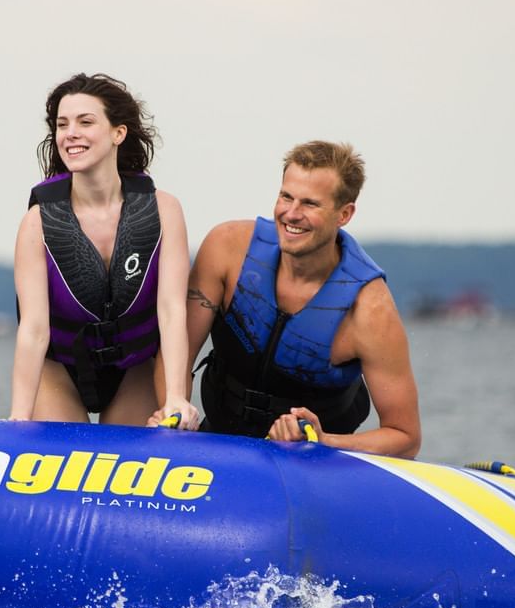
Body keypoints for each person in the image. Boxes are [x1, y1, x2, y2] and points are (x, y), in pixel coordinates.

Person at [176, 141, 421, 458]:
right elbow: (176, 356)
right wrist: (175, 412)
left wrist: (321, 442)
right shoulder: (226, 249)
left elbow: (406, 437)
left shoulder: (369, 309)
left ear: (344, 214)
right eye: (285, 197)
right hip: (219, 441)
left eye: (310, 204)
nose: (291, 214)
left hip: (312, 464)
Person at [9, 73, 198, 428]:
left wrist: (176, 397)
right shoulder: (37, 223)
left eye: (86, 122)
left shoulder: (164, 210)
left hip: (134, 368)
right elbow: (34, 329)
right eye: (62, 125)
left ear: (118, 133)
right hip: (60, 369)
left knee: (131, 467)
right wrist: (18, 418)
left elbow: (172, 311)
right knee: (64, 470)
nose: (71, 134)